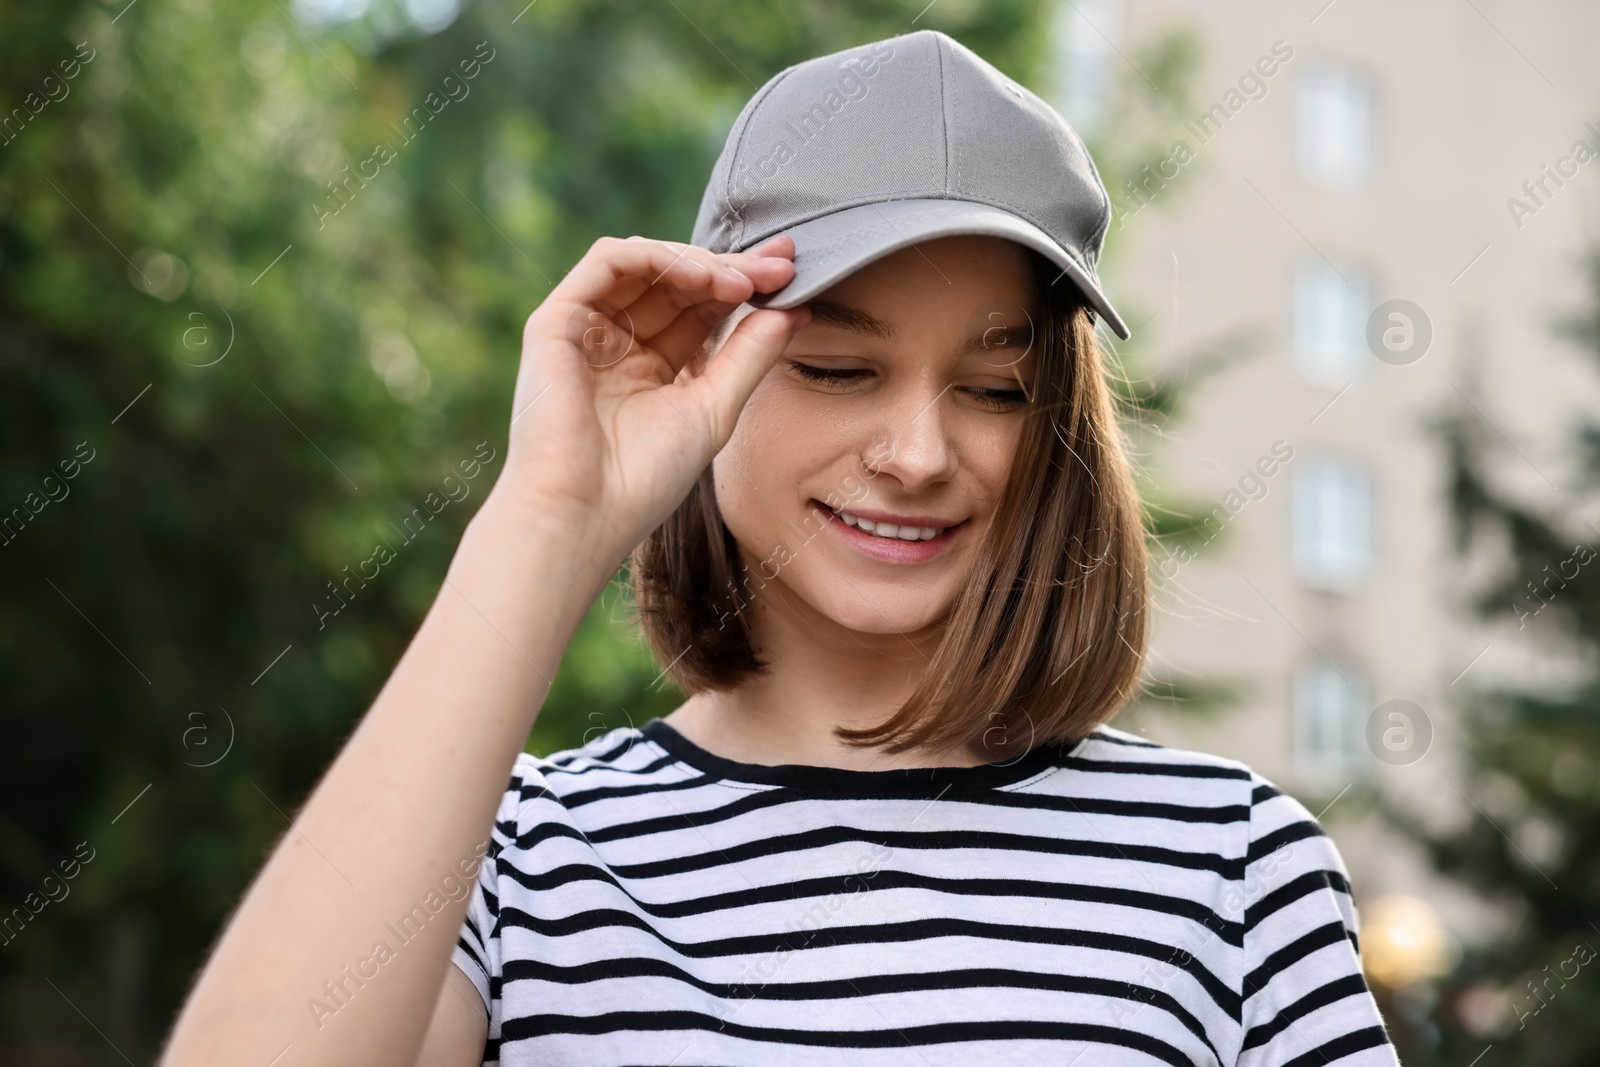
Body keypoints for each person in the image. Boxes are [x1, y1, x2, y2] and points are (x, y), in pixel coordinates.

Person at [158, 28, 1399, 1067]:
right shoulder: (519, 861)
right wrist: (542, 519)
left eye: (994, 386)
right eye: (838, 367)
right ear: (706, 362)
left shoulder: (1233, 865)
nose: (917, 451)